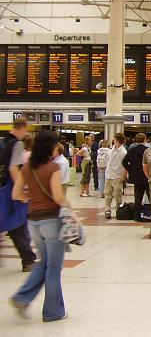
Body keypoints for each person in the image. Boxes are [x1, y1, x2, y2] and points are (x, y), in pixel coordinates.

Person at [11, 130, 68, 322]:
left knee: (44, 262)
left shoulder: (27, 167)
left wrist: (31, 198)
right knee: (53, 267)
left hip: (33, 222)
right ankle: (53, 311)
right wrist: (70, 207)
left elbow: (16, 194)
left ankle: (22, 297)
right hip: (51, 221)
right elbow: (58, 197)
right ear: (50, 146)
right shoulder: (53, 167)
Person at [1, 118, 36, 272]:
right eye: (26, 130)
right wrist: (20, 188)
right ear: (22, 127)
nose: (26, 133)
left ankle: (28, 260)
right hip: (10, 190)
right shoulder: (17, 144)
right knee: (18, 224)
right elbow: (13, 168)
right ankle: (28, 261)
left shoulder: (3, 141)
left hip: (2, 189)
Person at [122, 133, 150, 222]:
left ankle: (137, 215)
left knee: (138, 197)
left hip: (136, 177)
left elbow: (124, 162)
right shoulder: (147, 150)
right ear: (145, 140)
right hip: (147, 176)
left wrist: (130, 170)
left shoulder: (132, 150)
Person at [103, 133, 128, 220]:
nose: (113, 140)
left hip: (117, 176)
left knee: (117, 196)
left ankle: (118, 210)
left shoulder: (123, 152)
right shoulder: (111, 149)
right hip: (108, 175)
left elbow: (126, 166)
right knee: (107, 194)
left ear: (117, 140)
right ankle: (107, 210)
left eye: (114, 139)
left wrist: (123, 177)